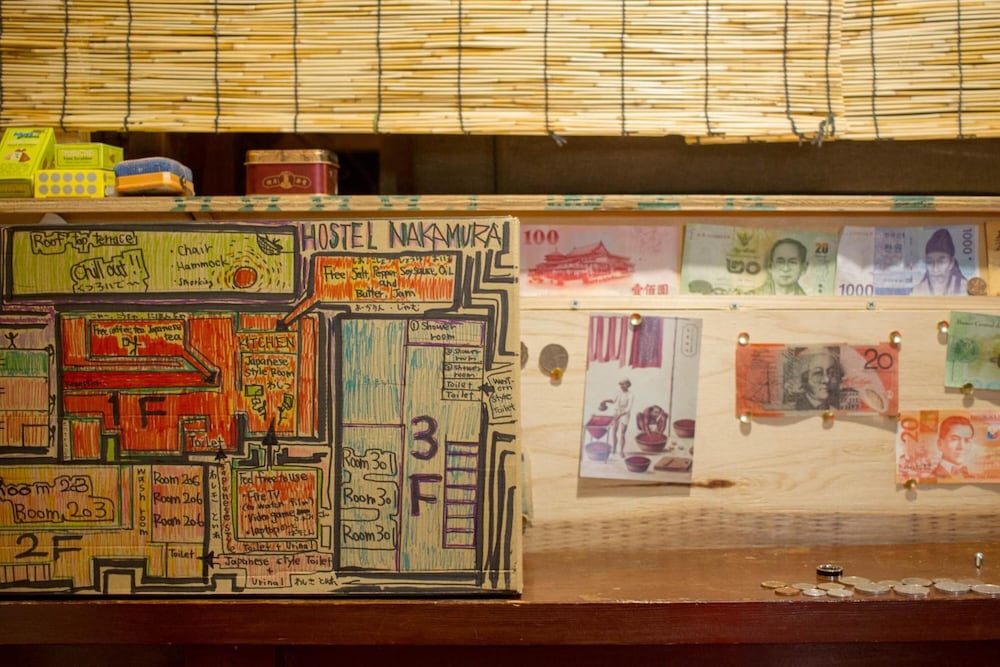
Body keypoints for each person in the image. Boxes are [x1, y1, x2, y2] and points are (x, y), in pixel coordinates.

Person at [911, 228, 968, 296]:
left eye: (941, 262)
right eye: (930, 262)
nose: (935, 269)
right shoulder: (918, 290)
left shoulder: (965, 288)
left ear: (951, 263)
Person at [599, 379, 635, 457]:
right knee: (614, 431)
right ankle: (614, 449)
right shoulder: (617, 392)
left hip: (625, 414)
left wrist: (619, 416)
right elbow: (613, 400)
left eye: (623, 384)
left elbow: (628, 408)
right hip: (616, 412)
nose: (621, 386)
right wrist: (604, 401)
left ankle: (621, 451)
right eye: (621, 384)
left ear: (628, 385)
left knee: (622, 433)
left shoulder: (631, 394)